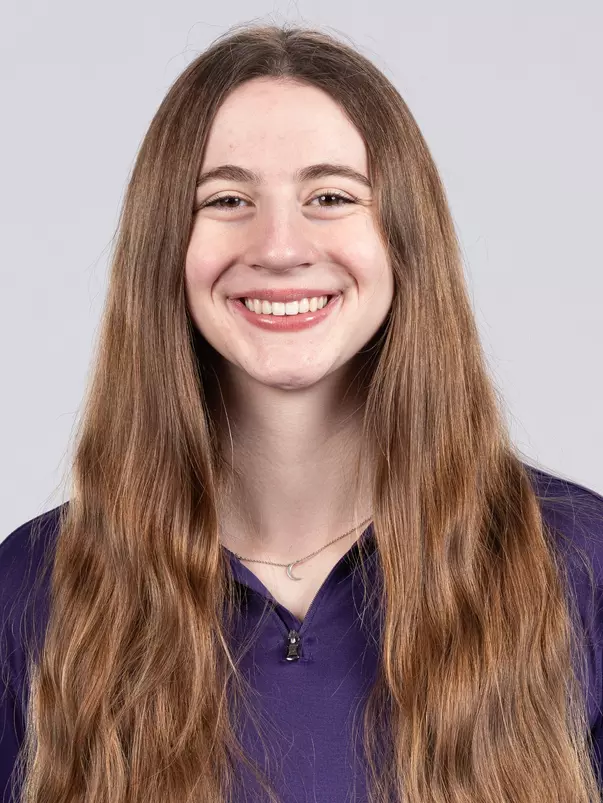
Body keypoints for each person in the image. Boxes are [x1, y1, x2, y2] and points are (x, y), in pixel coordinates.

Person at [1, 21, 603, 803]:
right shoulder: (35, 588)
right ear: (165, 247)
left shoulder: (577, 564)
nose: (279, 245)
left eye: (329, 196)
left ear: (402, 238)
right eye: (226, 198)